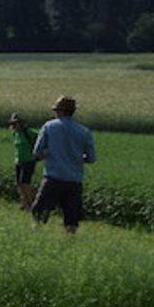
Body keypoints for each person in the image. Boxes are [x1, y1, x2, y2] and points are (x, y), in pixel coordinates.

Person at [32, 95, 97, 234]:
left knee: (40, 212)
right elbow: (91, 158)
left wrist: (49, 154)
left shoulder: (49, 126)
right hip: (74, 180)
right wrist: (76, 157)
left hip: (53, 176)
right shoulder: (84, 131)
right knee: (71, 219)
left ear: (59, 111)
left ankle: (36, 236)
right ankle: (70, 243)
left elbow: (37, 152)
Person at [8, 114, 39, 210]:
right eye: (12, 123)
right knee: (19, 184)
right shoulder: (15, 134)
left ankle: (31, 205)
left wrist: (39, 153)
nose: (13, 125)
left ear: (20, 123)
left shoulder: (28, 132)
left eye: (15, 123)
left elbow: (40, 139)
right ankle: (24, 203)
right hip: (19, 161)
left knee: (25, 183)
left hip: (29, 160)